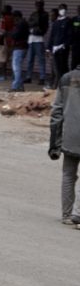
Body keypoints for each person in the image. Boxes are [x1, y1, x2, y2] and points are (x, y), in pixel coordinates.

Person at [49, 66, 80, 226]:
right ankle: (79, 215)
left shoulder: (66, 78)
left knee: (68, 175)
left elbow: (56, 112)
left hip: (70, 135)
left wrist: (54, 143)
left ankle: (67, 215)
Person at [28, 0, 49, 86]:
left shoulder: (45, 14)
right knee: (30, 60)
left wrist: (35, 24)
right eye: (36, 4)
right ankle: (28, 77)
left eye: (39, 4)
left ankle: (42, 78)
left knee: (41, 60)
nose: (37, 6)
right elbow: (29, 23)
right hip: (31, 39)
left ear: (42, 5)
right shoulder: (33, 13)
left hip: (39, 39)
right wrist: (34, 25)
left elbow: (42, 25)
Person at [49, 5, 70, 89]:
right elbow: (52, 36)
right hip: (55, 48)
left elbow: (69, 35)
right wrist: (48, 48)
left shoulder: (68, 21)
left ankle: (59, 85)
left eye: (63, 9)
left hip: (63, 48)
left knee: (62, 67)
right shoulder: (56, 22)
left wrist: (64, 45)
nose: (62, 11)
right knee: (56, 67)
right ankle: (57, 84)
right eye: (61, 9)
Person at [9, 9, 29, 93]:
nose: (13, 20)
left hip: (19, 47)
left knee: (16, 67)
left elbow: (16, 35)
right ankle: (20, 87)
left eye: (13, 18)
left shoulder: (20, 24)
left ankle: (15, 86)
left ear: (16, 17)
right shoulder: (22, 23)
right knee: (17, 67)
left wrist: (10, 34)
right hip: (21, 47)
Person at [0, 4, 15, 83]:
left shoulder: (4, 19)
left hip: (5, 41)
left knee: (3, 59)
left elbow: (2, 32)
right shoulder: (13, 18)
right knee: (11, 58)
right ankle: (13, 75)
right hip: (12, 40)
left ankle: (3, 75)